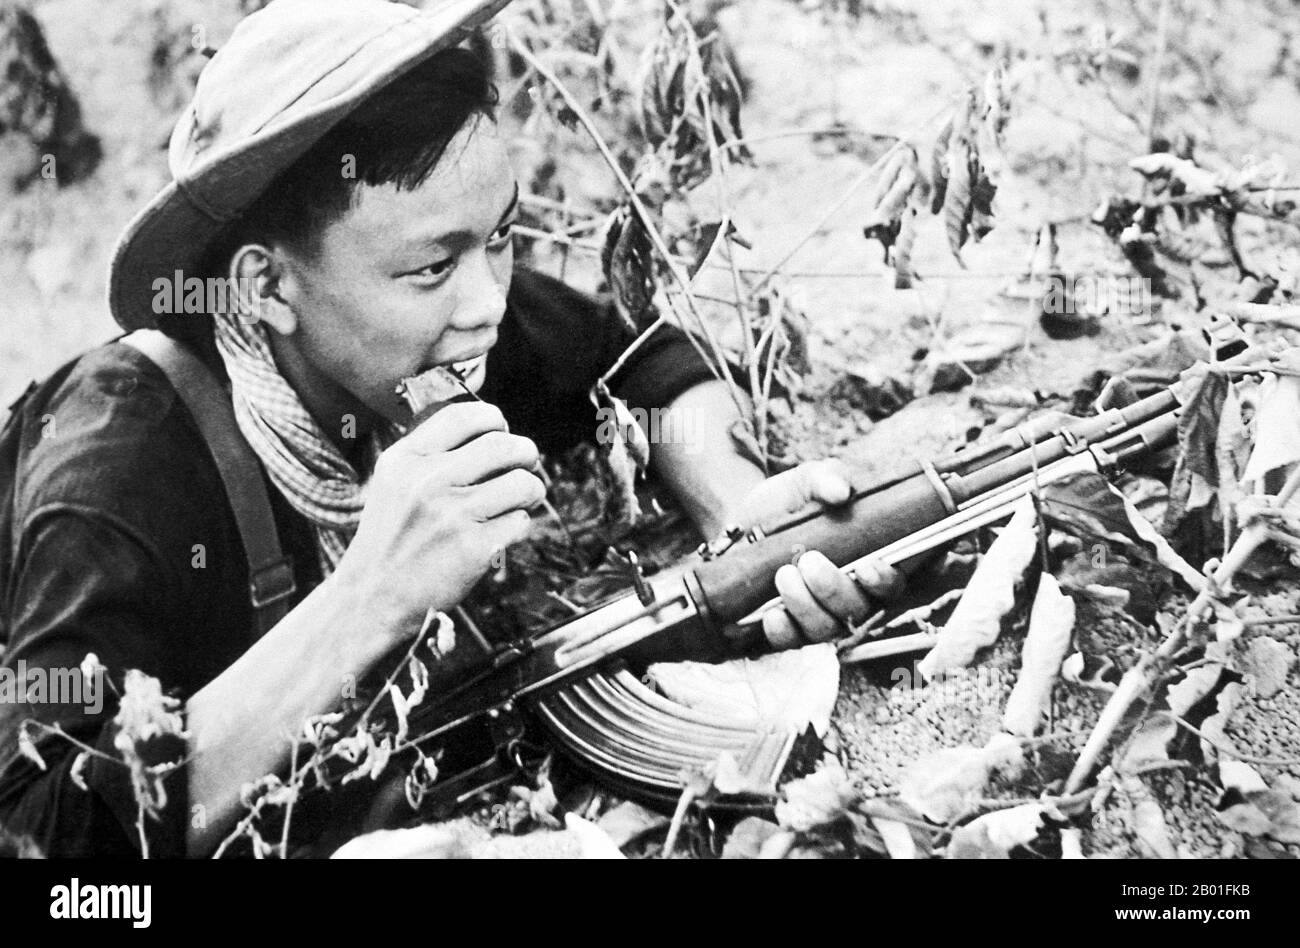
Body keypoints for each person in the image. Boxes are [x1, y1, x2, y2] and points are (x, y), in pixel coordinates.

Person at [0, 0, 898, 858]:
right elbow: (46, 838)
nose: (488, 302)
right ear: (266, 286)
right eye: (433, 266)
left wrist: (740, 513)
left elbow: (645, 369)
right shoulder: (117, 471)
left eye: (501, 238)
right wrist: (371, 595)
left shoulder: (433, 331)